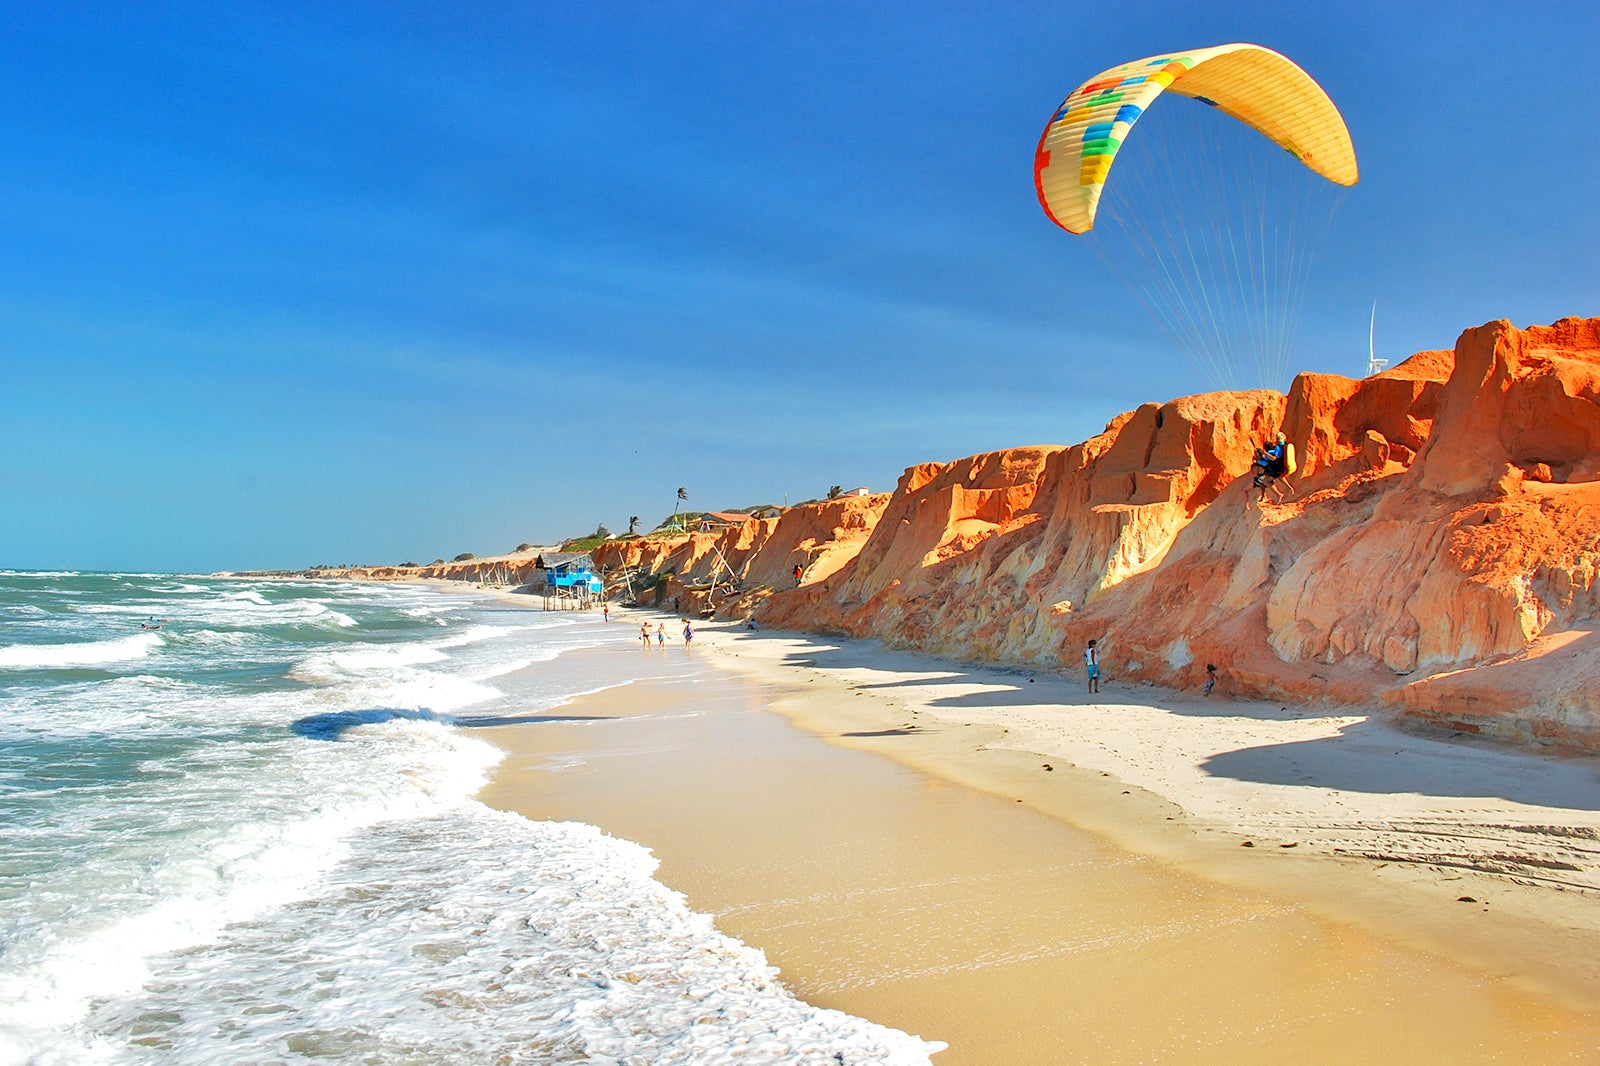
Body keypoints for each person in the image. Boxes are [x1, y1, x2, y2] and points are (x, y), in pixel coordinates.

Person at [1251, 432, 1290, 506]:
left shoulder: (1275, 449)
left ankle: (1276, 495)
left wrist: (1259, 459)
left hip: (1275, 469)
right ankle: (1289, 489)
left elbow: (1271, 460)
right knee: (1276, 477)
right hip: (1279, 468)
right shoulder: (1283, 446)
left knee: (1262, 480)